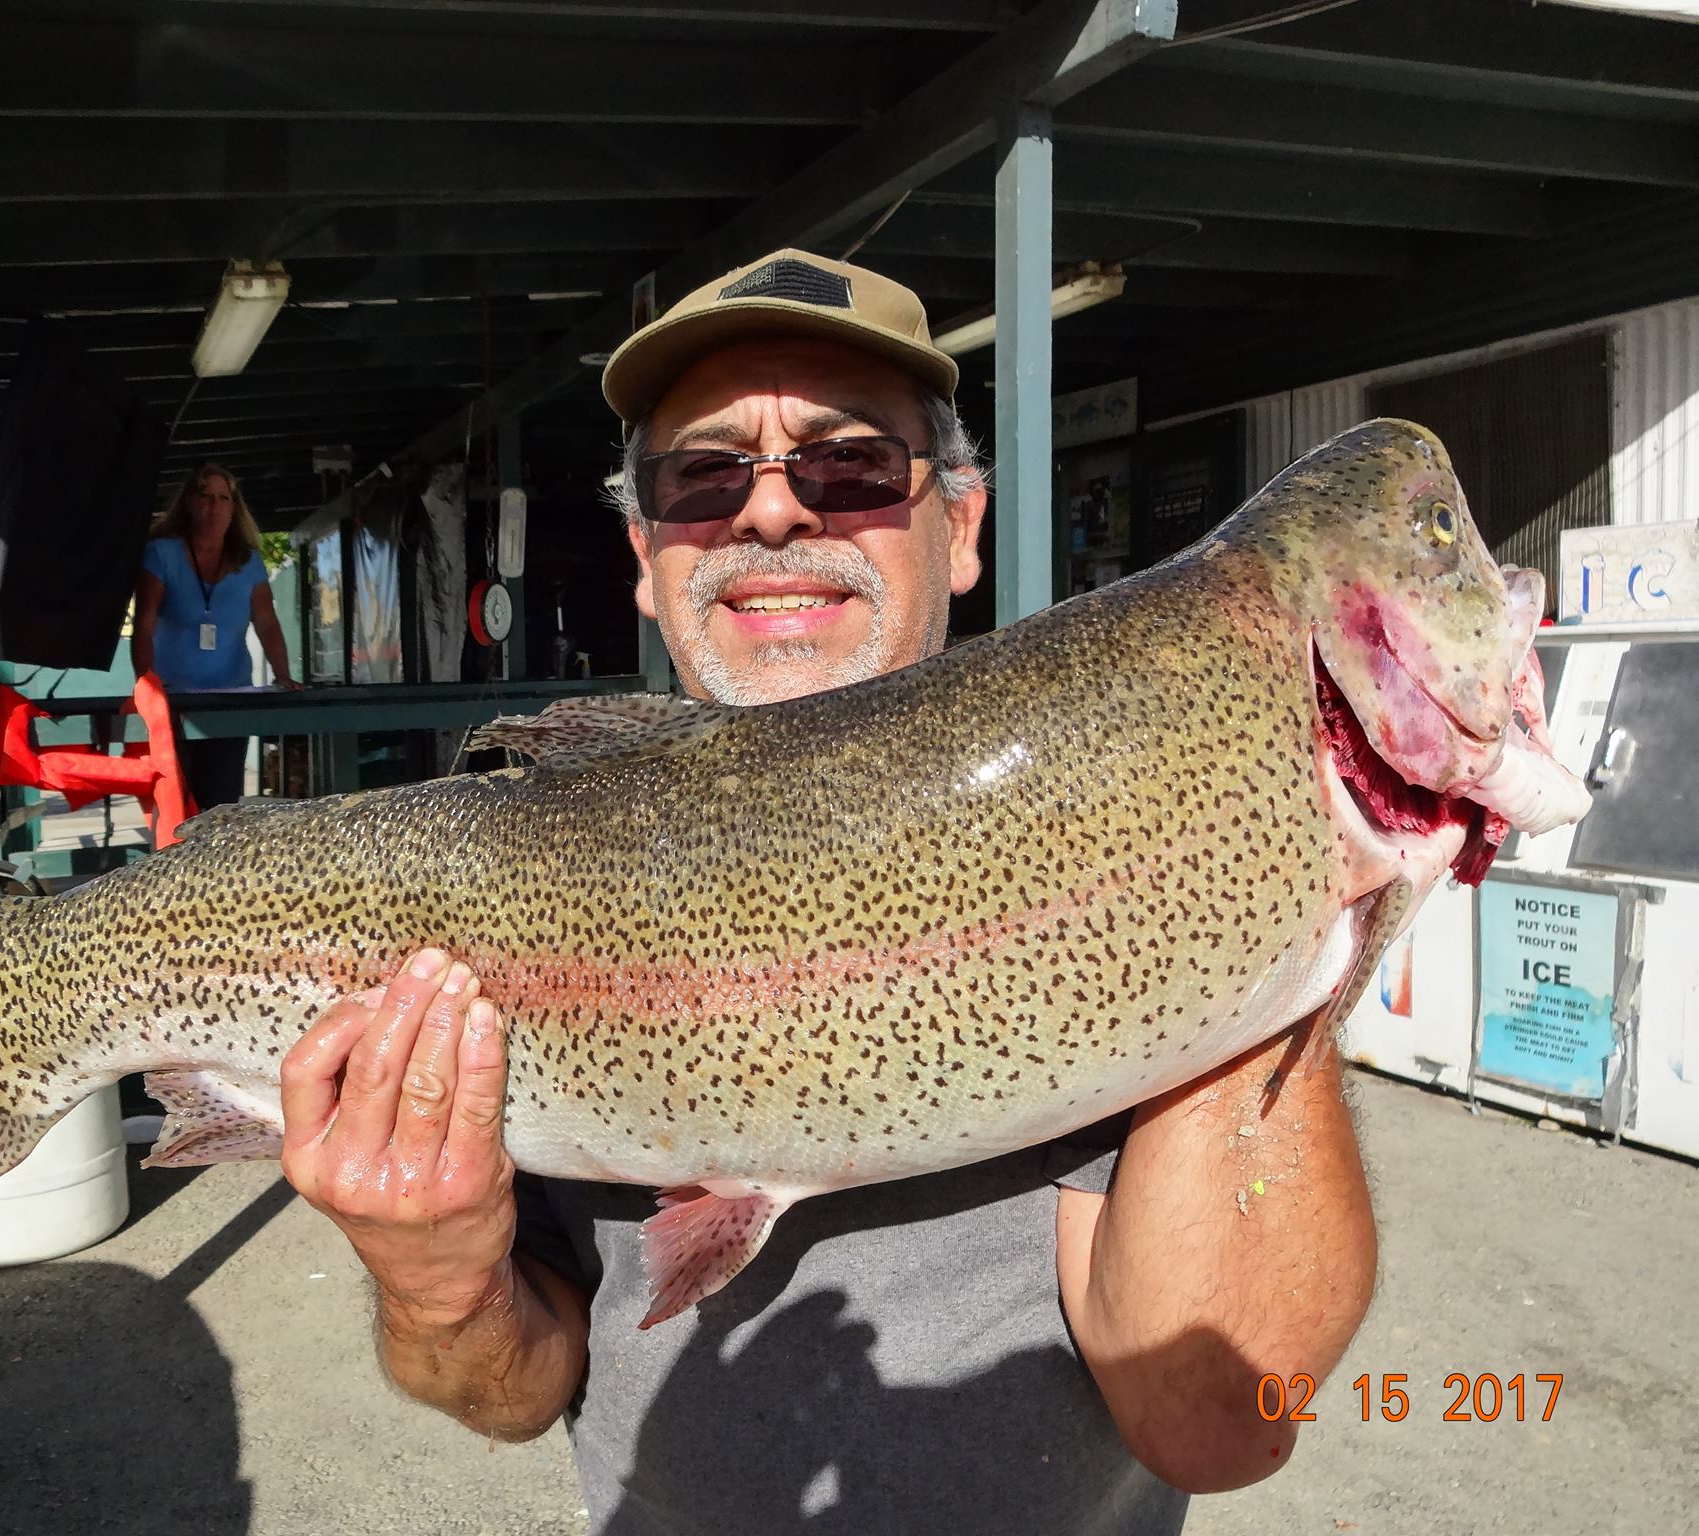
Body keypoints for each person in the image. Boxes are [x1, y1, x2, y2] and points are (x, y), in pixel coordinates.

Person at [277, 251, 1378, 1534]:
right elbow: (515, 1394)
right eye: (702, 473)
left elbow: (1210, 1417)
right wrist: (438, 1286)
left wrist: (1280, 892)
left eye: (846, 460)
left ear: (959, 526)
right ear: (643, 551)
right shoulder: (517, 886)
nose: (771, 514)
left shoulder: (1088, 816)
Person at [131, 462, 298, 814]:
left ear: (234, 508)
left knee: (220, 805)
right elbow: (143, 624)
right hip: (173, 700)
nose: (214, 505)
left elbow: (267, 622)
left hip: (231, 698)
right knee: (173, 803)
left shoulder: (248, 560)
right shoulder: (161, 553)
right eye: (205, 496)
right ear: (189, 502)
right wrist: (145, 685)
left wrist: (283, 675)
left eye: (223, 498)